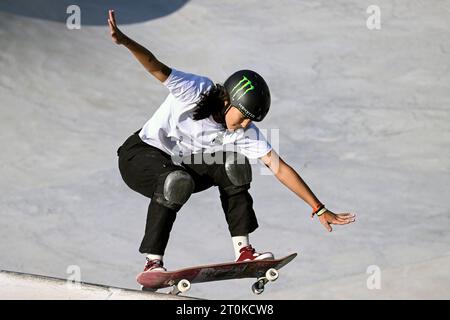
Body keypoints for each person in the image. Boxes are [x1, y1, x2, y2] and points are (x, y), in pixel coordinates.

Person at [108, 10, 356, 272]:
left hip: (178, 164)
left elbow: (279, 167)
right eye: (244, 116)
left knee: (233, 165)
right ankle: (152, 262)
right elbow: (155, 66)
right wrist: (125, 41)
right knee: (175, 181)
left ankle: (244, 251)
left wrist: (318, 208)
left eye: (251, 120)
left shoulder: (242, 129)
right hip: (138, 157)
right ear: (227, 100)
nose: (245, 125)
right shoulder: (196, 90)